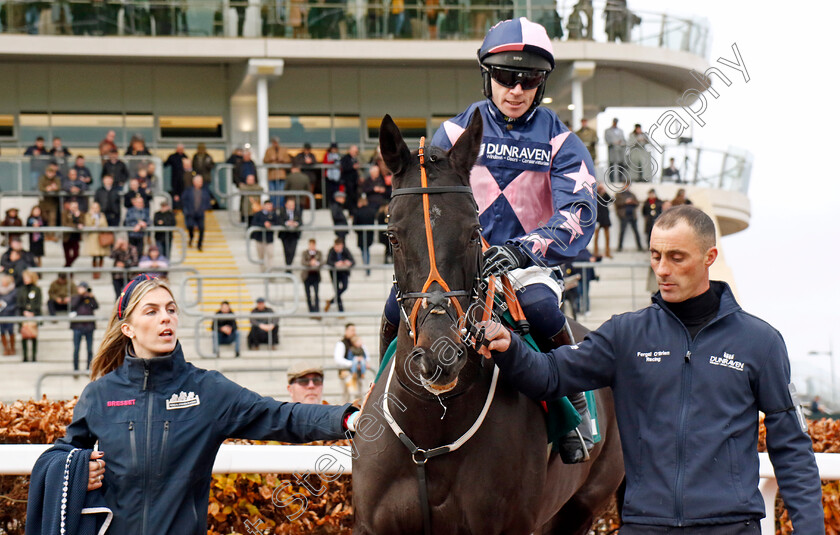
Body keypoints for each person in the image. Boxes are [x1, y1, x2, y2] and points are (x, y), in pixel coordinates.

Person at [478, 205, 824, 533]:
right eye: (656, 256)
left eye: (677, 257)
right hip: (645, 526)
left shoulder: (760, 342)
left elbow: (792, 447)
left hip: (732, 527)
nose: (662, 269)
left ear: (709, 258)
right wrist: (510, 348)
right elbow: (550, 376)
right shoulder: (626, 334)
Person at [398, 17, 596, 463]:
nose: (516, 90)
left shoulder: (562, 141)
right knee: (395, 306)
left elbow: (579, 216)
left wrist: (521, 249)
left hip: (527, 266)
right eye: (506, 77)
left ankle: (575, 406)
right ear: (488, 76)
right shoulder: (451, 135)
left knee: (544, 311)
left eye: (529, 80)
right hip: (456, 265)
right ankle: (380, 394)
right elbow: (428, 210)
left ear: (541, 84)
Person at [30, 275, 358, 534]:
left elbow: (280, 416)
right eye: (152, 311)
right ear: (127, 328)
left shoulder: (208, 389)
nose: (166, 318)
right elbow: (66, 452)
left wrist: (348, 418)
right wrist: (77, 471)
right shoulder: (98, 394)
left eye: (171, 309)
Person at [70, 281, 98, 371]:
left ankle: (88, 368)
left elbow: (95, 306)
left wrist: (91, 297)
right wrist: (81, 296)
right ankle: (76, 369)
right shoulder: (75, 297)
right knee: (76, 349)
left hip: (89, 326)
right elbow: (73, 305)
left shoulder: (89, 298)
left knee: (89, 349)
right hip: (77, 326)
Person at [181, 175, 211, 251]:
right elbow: (184, 200)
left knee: (201, 228)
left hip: (200, 213)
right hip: (191, 213)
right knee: (190, 226)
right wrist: (186, 210)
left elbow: (208, 201)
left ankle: (199, 245)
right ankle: (191, 238)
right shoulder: (188, 190)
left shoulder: (205, 191)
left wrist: (205, 208)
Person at [17, 270, 41, 363]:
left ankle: (34, 356)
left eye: (27, 278)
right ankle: (25, 356)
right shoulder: (21, 289)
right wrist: (25, 311)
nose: (25, 280)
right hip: (23, 315)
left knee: (33, 335)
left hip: (33, 315)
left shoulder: (37, 289)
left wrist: (32, 312)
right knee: (24, 335)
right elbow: (19, 303)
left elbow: (38, 303)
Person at [325, 238, 354, 313]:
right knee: (337, 290)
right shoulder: (331, 250)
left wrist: (348, 262)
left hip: (344, 273)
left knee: (344, 287)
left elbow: (353, 261)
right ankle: (341, 310)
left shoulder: (345, 250)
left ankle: (331, 301)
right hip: (334, 274)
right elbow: (328, 261)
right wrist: (335, 264)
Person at [83, 201, 111, 278]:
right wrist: (92, 217)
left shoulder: (101, 215)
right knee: (94, 256)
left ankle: (100, 270)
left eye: (96, 207)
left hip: (101, 237)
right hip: (93, 237)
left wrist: (98, 221)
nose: (95, 209)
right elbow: (88, 224)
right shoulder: (88, 215)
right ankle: (95, 271)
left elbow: (105, 225)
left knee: (101, 255)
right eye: (93, 208)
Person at [251, 200, 280, 272]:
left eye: (270, 206)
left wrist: (270, 224)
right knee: (261, 256)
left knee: (270, 255)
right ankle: (263, 271)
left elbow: (278, 222)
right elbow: (254, 223)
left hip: (269, 239)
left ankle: (270, 271)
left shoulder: (274, 214)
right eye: (267, 205)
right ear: (264, 206)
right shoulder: (258, 214)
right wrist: (263, 224)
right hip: (260, 239)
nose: (269, 207)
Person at [264, 137, 291, 208]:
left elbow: (288, 160)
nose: (275, 144)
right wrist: (270, 159)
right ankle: (273, 208)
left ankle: (281, 207)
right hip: (272, 175)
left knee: (281, 193)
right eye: (274, 142)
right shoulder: (269, 150)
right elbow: (264, 160)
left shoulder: (283, 150)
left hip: (281, 175)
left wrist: (282, 160)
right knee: (272, 193)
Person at [333, 323, 357, 403]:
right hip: (346, 373)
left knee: (356, 395)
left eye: (354, 330)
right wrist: (352, 364)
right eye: (352, 330)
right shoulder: (341, 344)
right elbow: (338, 359)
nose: (354, 332)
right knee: (347, 395)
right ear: (346, 331)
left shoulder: (356, 343)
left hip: (356, 373)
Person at [615, 185, 642, 252]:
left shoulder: (632, 194)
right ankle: (619, 247)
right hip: (624, 215)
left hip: (632, 215)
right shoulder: (619, 194)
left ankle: (640, 247)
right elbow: (617, 203)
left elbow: (637, 203)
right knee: (622, 232)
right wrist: (625, 202)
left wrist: (632, 202)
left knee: (636, 231)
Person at [353, 195, 377, 273]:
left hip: (361, 235)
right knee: (366, 250)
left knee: (364, 250)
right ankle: (367, 266)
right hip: (369, 234)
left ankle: (366, 266)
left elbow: (355, 225)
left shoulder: (358, 212)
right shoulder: (371, 211)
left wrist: (358, 232)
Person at [278, 197, 302, 269]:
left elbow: (301, 222)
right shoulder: (282, 212)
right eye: (290, 205)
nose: (292, 206)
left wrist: (296, 223)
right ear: (286, 205)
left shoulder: (297, 212)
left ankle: (289, 265)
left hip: (294, 234)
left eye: (293, 205)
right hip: (285, 235)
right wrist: (287, 223)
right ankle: (288, 266)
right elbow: (279, 221)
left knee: (292, 251)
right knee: (287, 251)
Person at [301, 238, 323, 313]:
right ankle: (311, 310)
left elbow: (322, 261)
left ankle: (317, 310)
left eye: (313, 245)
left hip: (315, 275)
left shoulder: (318, 253)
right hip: (307, 276)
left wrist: (316, 263)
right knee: (308, 295)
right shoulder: (305, 253)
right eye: (310, 245)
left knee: (316, 294)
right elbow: (303, 262)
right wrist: (310, 263)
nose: (312, 246)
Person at [38, 163, 62, 231]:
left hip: (52, 203)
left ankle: (51, 235)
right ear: (46, 172)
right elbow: (41, 188)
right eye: (49, 172)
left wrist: (53, 188)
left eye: (52, 173)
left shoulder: (56, 179)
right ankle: (45, 235)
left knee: (52, 220)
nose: (50, 174)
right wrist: (47, 189)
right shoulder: (42, 178)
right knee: (43, 219)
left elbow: (59, 187)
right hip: (43, 203)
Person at [61, 200, 85, 267]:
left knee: (76, 254)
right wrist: (76, 226)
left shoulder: (81, 214)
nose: (74, 208)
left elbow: (83, 223)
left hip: (75, 237)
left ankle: (66, 267)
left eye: (76, 206)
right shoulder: (65, 213)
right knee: (67, 256)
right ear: (70, 206)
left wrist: (78, 216)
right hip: (67, 238)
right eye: (73, 206)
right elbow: (65, 223)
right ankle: (68, 271)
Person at [0, 274, 18, 356]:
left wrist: (6, 306)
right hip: (1, 314)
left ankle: (12, 347)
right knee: (2, 332)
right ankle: (6, 348)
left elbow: (16, 303)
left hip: (10, 314)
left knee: (11, 331)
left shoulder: (14, 291)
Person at [593, 183, 612, 258]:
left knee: (607, 237)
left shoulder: (605, 195)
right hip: (597, 218)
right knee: (596, 237)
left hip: (605, 217)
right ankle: (595, 252)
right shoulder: (595, 195)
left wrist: (605, 191)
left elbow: (610, 200)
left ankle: (607, 252)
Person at [340, 145, 361, 211]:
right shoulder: (345, 158)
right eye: (354, 151)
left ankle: (354, 209)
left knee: (355, 195)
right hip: (348, 181)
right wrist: (352, 167)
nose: (355, 153)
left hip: (355, 181)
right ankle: (350, 210)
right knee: (349, 196)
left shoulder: (356, 158)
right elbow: (344, 168)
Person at [604, 117, 625, 183]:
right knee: (612, 166)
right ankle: (612, 180)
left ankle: (620, 179)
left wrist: (621, 143)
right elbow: (607, 140)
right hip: (612, 151)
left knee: (620, 166)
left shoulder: (620, 131)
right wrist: (614, 142)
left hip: (620, 151)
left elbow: (623, 140)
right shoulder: (607, 131)